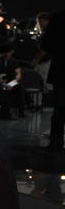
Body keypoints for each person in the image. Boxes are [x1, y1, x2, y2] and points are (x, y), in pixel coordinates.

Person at [33, 10, 64, 148]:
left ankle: (56, 141)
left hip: (60, 69)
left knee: (59, 108)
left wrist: (35, 60)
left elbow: (47, 46)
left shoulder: (58, 18)